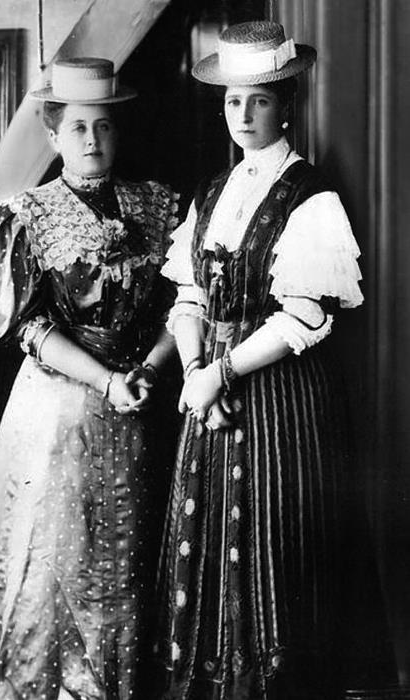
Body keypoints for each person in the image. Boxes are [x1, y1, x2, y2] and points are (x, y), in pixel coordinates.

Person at [154, 21, 396, 700]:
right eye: (233, 101)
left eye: (259, 100)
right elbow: (188, 296)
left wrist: (221, 374)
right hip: (210, 390)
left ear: (285, 105)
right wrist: (195, 373)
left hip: (281, 397)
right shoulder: (212, 192)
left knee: (273, 540)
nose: (244, 114)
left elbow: (305, 315)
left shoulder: (309, 195)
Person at [0, 57, 179, 700]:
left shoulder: (156, 204)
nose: (92, 140)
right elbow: (27, 327)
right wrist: (105, 380)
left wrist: (149, 369)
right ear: (52, 134)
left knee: (131, 549)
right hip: (60, 407)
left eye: (103, 125)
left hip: (142, 398)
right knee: (57, 548)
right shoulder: (27, 213)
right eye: (77, 127)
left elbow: (179, 307)